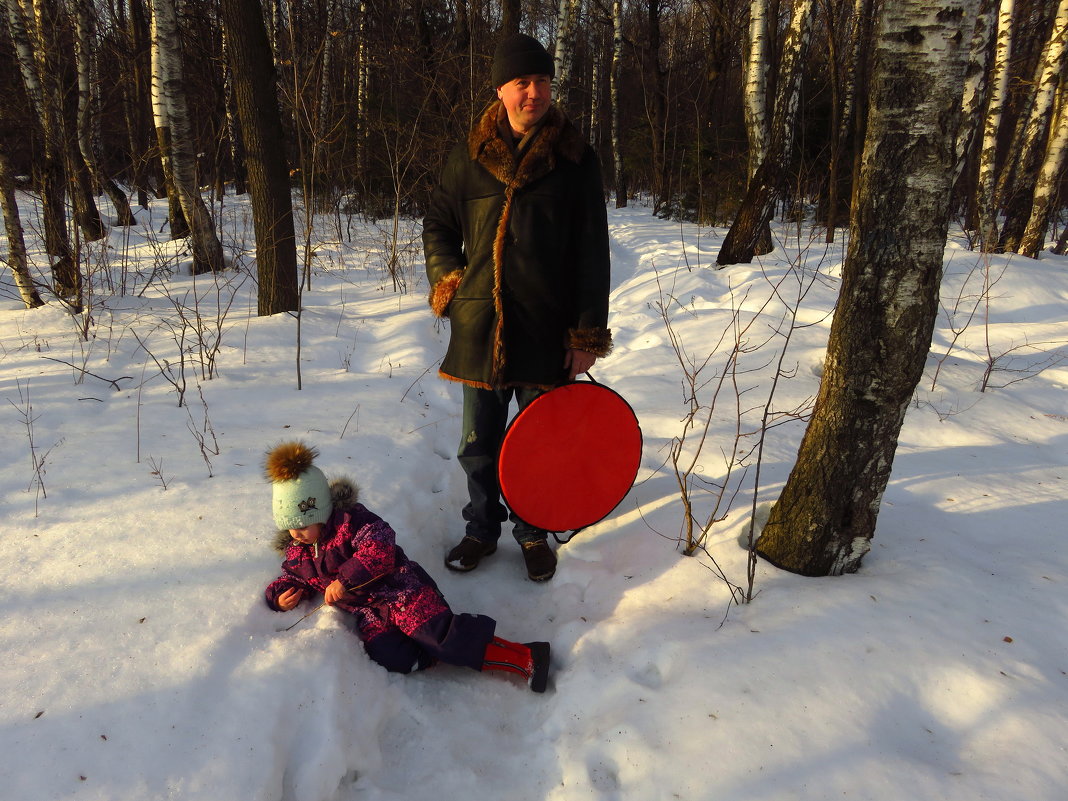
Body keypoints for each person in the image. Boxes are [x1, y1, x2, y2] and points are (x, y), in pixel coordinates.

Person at [422, 32, 612, 582]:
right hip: (480, 326)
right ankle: (481, 528)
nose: (535, 92)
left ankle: (532, 532)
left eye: (543, 81)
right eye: (523, 82)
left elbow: (591, 253)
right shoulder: (468, 158)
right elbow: (438, 225)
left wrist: (585, 334)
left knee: (539, 445)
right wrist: (450, 281)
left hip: (545, 329)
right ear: (501, 89)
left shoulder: (576, 158)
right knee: (478, 445)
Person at [263, 441, 550, 692]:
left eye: (303, 525)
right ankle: (439, 652)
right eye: (290, 528)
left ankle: (525, 657)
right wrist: (280, 596)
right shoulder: (298, 553)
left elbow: (381, 547)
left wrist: (344, 581)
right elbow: (292, 576)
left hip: (401, 591)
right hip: (371, 613)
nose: (297, 534)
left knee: (437, 634)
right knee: (394, 657)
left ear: (322, 511)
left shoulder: (353, 523)